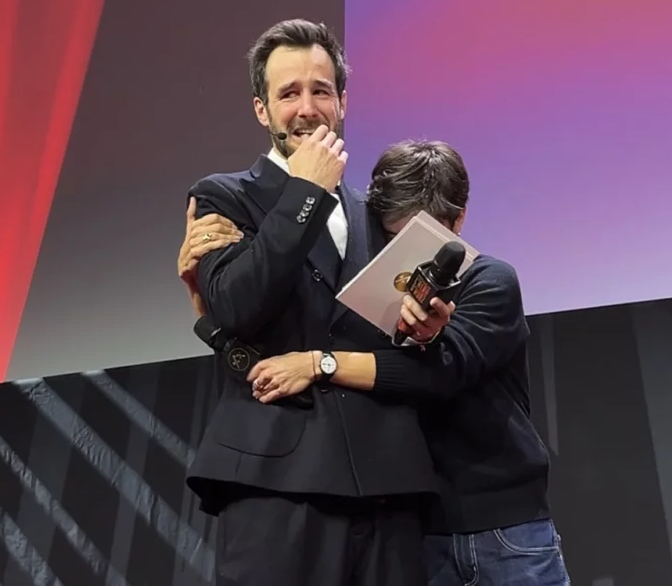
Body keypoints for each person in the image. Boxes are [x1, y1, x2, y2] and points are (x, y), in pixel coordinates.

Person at [180, 140, 571, 585]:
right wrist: (208, 308)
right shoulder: (376, 298)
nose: (408, 253)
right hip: (423, 530)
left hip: (505, 531)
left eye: (423, 235)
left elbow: (438, 374)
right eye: (392, 236)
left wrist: (319, 363)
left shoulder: (491, 281)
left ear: (458, 219)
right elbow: (277, 354)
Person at [181, 19, 449, 586]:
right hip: (276, 480)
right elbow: (236, 307)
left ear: (343, 102)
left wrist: (426, 326)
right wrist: (305, 193)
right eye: (288, 93)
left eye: (321, 90)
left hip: (387, 482)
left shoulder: (376, 212)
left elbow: (404, 347)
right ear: (261, 109)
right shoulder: (222, 195)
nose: (307, 108)